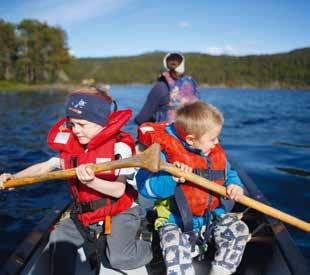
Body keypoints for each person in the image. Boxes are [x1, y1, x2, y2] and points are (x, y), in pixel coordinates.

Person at [0, 91, 152, 274]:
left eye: (82, 124)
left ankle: (148, 242)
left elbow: (119, 190)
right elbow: (44, 167)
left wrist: (91, 182)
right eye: (72, 124)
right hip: (85, 214)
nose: (75, 130)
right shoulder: (74, 148)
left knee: (119, 259)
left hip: (120, 210)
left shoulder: (120, 147)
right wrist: (15, 178)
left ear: (101, 123)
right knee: (58, 239)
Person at [135, 101, 249, 275]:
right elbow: (147, 190)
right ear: (190, 139)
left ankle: (220, 271)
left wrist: (235, 185)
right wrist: (172, 178)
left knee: (240, 230)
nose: (216, 142)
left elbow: (229, 173)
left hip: (211, 218)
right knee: (173, 244)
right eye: (212, 139)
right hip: (175, 221)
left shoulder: (213, 151)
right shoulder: (163, 156)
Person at [134, 52, 200, 125]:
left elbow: (142, 119)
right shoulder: (192, 84)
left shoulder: (160, 86)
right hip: (191, 131)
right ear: (182, 66)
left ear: (165, 66)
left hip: (167, 133)